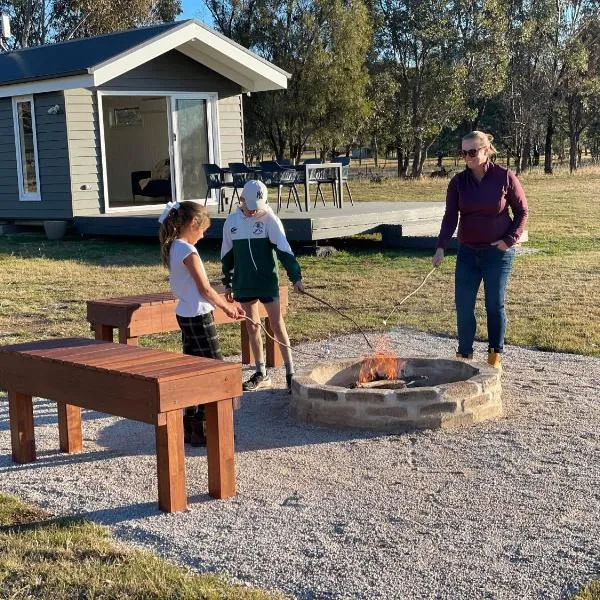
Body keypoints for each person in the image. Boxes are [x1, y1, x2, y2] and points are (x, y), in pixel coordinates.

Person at [432, 131, 529, 370]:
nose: (467, 157)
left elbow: (522, 212)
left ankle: (495, 355)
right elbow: (450, 217)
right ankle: (464, 356)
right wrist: (441, 247)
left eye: (472, 152)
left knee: (494, 305)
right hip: (467, 252)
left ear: (486, 150)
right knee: (464, 306)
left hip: (497, 254)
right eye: (463, 152)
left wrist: (509, 240)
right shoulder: (458, 182)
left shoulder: (504, 177)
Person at [159, 200, 245, 446]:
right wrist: (227, 307)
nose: (204, 235)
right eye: (203, 229)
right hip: (199, 316)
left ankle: (194, 428)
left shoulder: (174, 247)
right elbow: (205, 289)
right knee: (215, 372)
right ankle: (214, 429)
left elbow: (201, 289)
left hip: (185, 314)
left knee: (193, 370)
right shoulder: (188, 251)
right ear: (193, 224)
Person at [221, 180, 304, 392]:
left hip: (267, 281)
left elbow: (285, 250)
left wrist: (295, 277)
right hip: (245, 282)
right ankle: (261, 372)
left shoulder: (270, 220)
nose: (253, 210)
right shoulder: (232, 221)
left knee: (277, 324)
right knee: (253, 326)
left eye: (257, 205)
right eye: (249, 205)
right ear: (242, 201)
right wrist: (227, 283)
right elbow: (227, 255)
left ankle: (290, 371)